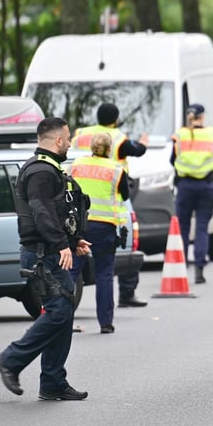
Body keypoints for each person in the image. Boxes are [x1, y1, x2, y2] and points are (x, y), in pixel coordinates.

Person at [0, 117, 91, 400]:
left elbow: (56, 211)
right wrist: (61, 245)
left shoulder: (48, 169)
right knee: (59, 311)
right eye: (68, 138)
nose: (70, 143)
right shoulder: (40, 171)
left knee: (63, 311)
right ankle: (10, 360)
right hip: (42, 254)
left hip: (48, 251)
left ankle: (53, 382)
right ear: (58, 140)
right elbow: (41, 212)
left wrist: (73, 241)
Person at [72, 102, 150, 308]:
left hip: (80, 202)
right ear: (116, 119)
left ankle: (60, 313)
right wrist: (144, 142)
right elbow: (138, 150)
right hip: (110, 197)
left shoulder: (80, 134)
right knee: (129, 242)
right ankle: (127, 292)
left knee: (73, 266)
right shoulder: (117, 137)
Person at [69, 132, 128, 334]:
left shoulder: (77, 164)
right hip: (104, 226)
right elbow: (125, 194)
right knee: (104, 274)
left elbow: (67, 188)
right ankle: (105, 323)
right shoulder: (116, 169)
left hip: (80, 226)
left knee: (72, 271)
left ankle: (62, 319)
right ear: (109, 148)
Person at [171, 103, 213, 284]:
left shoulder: (180, 135)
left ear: (189, 117)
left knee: (183, 228)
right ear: (202, 117)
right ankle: (199, 270)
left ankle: (182, 267)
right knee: (202, 228)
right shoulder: (211, 134)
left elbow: (172, 159)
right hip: (206, 186)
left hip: (185, 186)